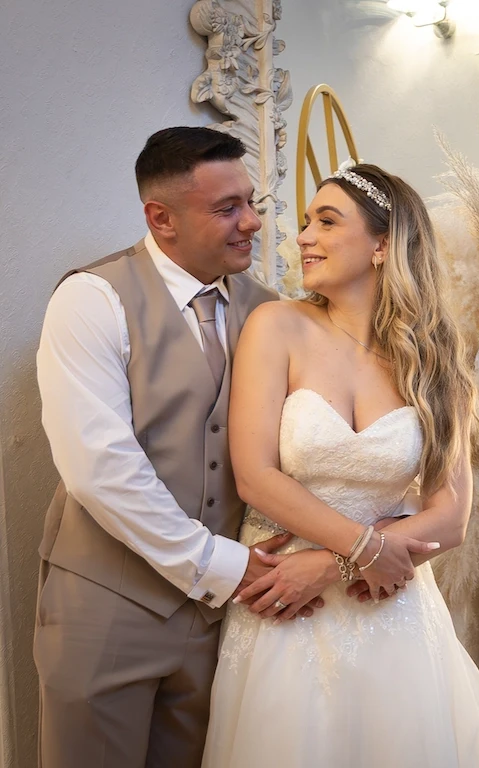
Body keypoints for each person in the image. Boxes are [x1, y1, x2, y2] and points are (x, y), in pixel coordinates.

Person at [201, 162, 479, 767]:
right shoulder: (277, 326)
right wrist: (363, 549)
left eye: (327, 222)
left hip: (389, 605)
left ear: (383, 244)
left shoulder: (436, 357)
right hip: (284, 602)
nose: (304, 237)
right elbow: (255, 476)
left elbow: (451, 518)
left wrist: (333, 564)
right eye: (306, 222)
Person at [34, 127, 325, 767]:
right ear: (160, 218)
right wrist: (220, 564)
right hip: (107, 608)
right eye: (227, 208)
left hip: (226, 622)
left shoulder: (269, 311)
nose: (252, 222)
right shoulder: (92, 299)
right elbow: (99, 469)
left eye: (251, 202)